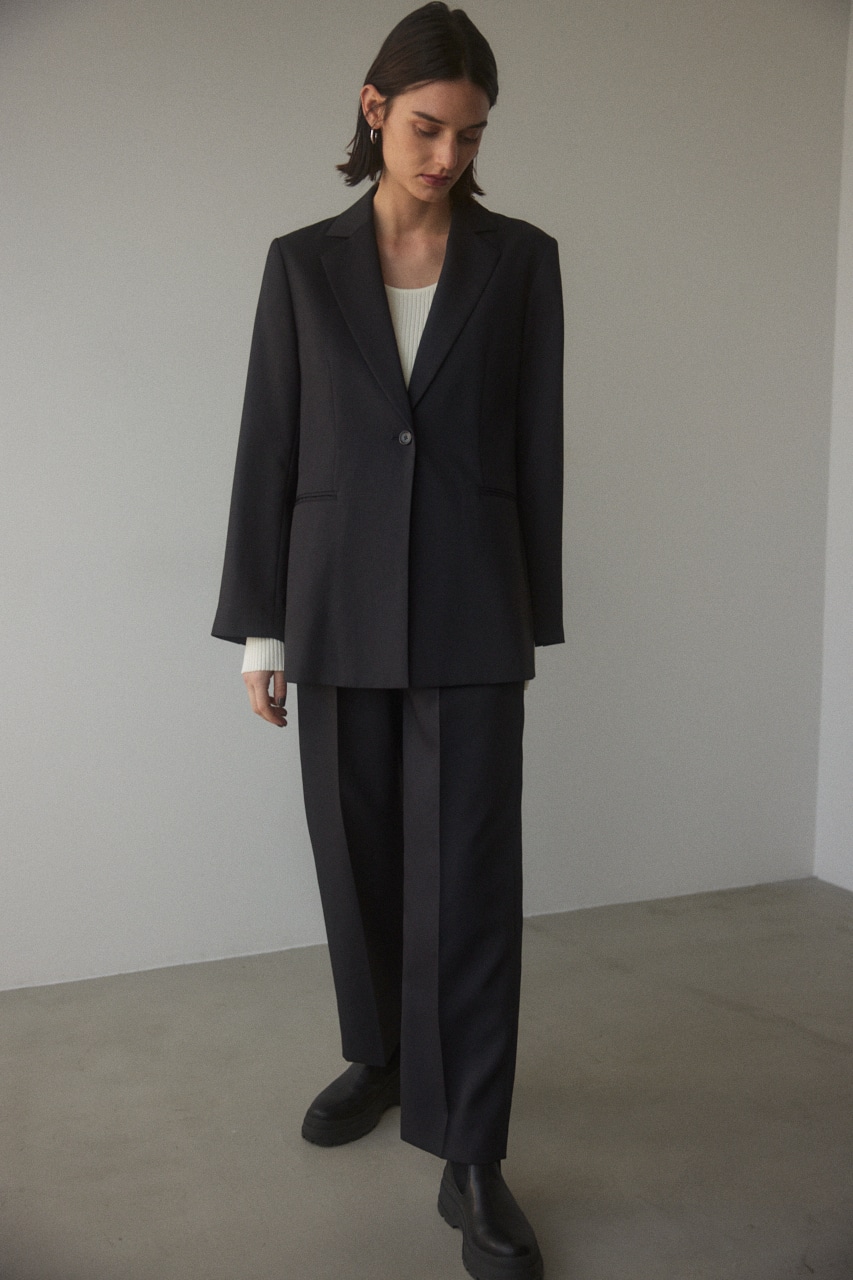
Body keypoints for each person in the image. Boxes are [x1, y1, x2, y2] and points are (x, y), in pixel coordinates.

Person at [212, 4, 564, 1276]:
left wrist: (530, 609)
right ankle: (380, 1051)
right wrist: (260, 631)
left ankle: (471, 1152)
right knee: (355, 852)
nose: (447, 156)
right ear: (375, 110)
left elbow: (536, 443)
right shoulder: (301, 265)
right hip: (333, 602)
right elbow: (270, 445)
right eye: (426, 129)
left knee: (468, 880)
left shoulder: (520, 261)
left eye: (470, 135)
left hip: (471, 604)